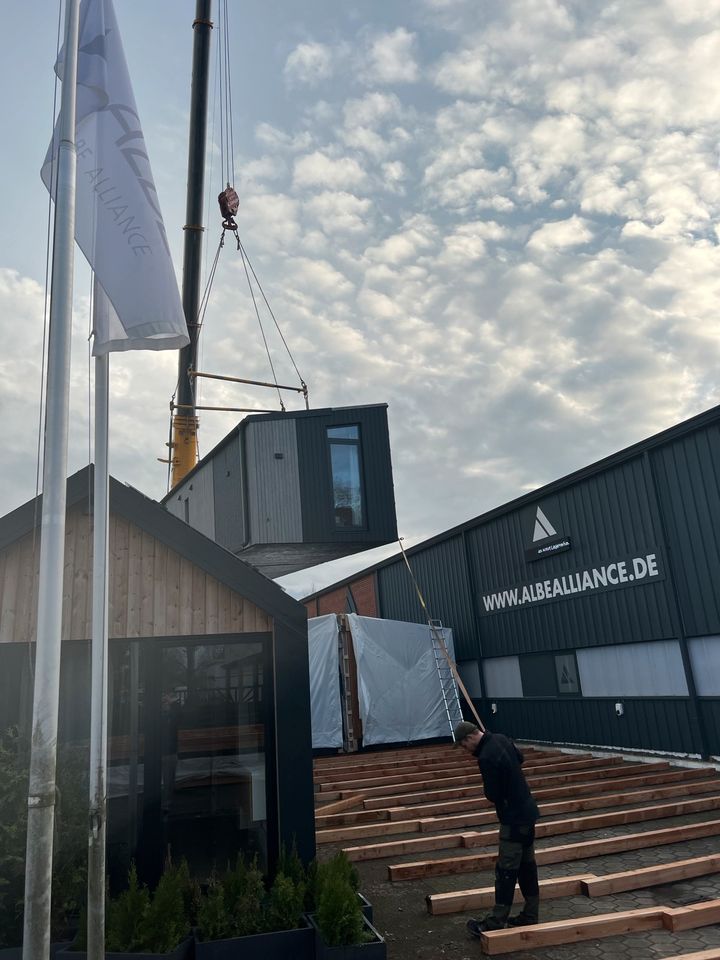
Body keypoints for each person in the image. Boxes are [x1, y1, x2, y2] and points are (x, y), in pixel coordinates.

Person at [453, 720, 540, 936]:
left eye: (464, 745)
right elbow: (520, 758)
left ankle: (496, 921)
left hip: (513, 820)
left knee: (506, 871)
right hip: (528, 813)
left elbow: (493, 794)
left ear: (470, 737)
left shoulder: (486, 757)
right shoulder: (501, 738)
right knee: (527, 866)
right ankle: (530, 914)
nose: (465, 750)